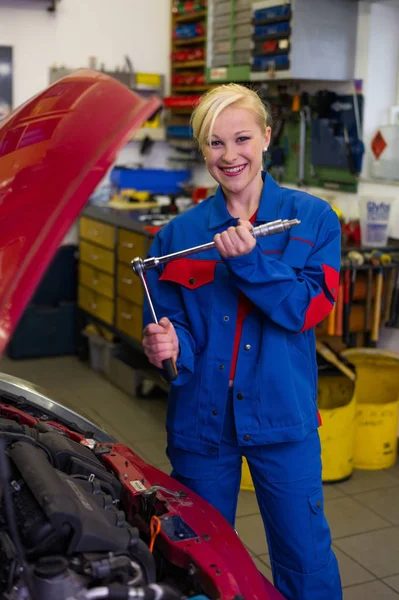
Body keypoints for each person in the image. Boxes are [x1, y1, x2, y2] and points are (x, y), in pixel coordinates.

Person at [142, 83, 342, 600]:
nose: (230, 156)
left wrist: (250, 261)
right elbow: (174, 324)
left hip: (283, 417)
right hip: (202, 423)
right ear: (202, 148)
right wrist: (169, 347)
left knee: (305, 556)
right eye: (214, 143)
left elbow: (309, 308)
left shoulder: (314, 220)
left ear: (267, 138)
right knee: (198, 560)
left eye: (242, 138)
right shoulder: (176, 237)